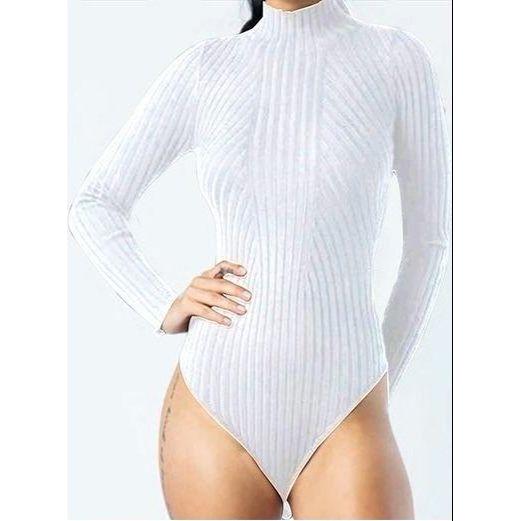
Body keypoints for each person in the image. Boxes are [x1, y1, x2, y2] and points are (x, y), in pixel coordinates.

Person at [69, 0, 450, 518]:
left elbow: (428, 243)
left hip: (348, 406)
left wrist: (379, 380)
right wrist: (161, 303)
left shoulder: (394, 59)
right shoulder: (208, 69)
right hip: (216, 401)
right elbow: (95, 204)